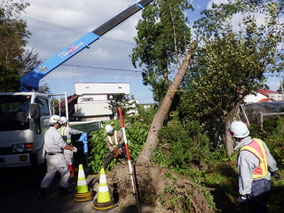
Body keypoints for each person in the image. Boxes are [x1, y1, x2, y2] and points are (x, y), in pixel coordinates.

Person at [229, 121, 280, 213]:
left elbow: (245, 176)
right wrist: (273, 170)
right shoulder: (259, 142)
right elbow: (269, 158)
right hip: (266, 182)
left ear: (234, 137)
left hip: (255, 186)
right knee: (261, 207)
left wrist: (243, 194)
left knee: (257, 210)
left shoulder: (244, 154)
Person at [38, 115, 77, 199]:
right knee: (66, 172)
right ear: (56, 123)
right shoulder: (55, 133)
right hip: (57, 156)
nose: (60, 124)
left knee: (49, 174)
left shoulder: (47, 132)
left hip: (49, 156)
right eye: (59, 122)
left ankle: (42, 190)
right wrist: (72, 148)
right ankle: (63, 189)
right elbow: (62, 145)